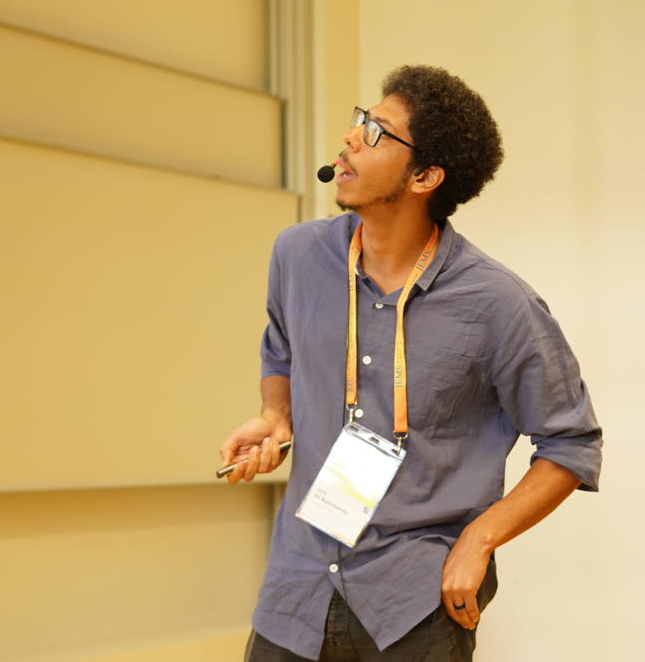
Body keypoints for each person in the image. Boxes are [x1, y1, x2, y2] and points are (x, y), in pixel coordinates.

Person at [219, 65, 603, 661]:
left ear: (425, 176)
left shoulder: (498, 303)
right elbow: (281, 348)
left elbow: (571, 444)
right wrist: (275, 415)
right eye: (361, 119)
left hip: (413, 606)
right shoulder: (298, 255)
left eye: (377, 132)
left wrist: (479, 540)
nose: (351, 137)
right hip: (296, 592)